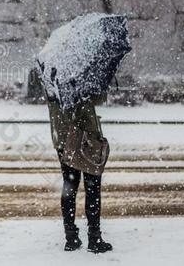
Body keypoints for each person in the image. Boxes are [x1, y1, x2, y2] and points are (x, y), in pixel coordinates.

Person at [47, 93, 113, 254]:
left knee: (69, 185)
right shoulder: (81, 79)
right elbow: (97, 100)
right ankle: (94, 237)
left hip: (62, 137)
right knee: (92, 187)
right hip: (85, 137)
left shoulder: (53, 79)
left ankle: (70, 237)